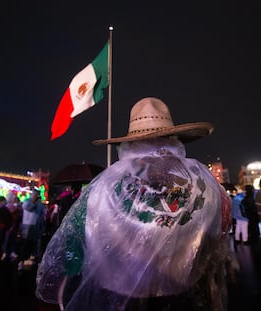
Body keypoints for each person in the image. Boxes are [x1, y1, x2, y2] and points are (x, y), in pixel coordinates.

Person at [36, 97, 237, 311]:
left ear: (129, 144)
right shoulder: (207, 183)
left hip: (119, 299)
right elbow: (218, 240)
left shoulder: (101, 186)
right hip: (185, 299)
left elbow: (72, 249)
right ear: (174, 138)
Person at [18, 188, 46, 270]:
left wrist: (42, 227)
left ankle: (31, 260)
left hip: (36, 228)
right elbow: (28, 208)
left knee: (34, 245)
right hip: (27, 227)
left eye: (37, 195)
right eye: (35, 194)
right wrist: (33, 201)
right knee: (25, 245)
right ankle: (21, 261)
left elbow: (42, 215)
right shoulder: (27, 201)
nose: (36, 196)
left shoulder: (40, 204)